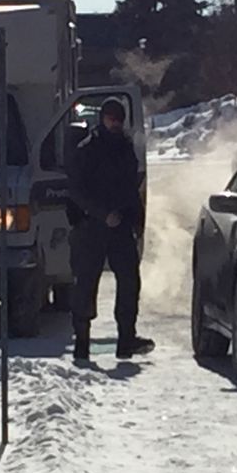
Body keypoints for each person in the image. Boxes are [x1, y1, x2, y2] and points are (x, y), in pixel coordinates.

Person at [67, 98, 153, 362]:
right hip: (92, 227)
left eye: (118, 118)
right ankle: (82, 344)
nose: (115, 122)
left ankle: (126, 339)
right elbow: (76, 191)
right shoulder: (88, 149)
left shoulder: (125, 148)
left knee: (129, 282)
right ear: (102, 119)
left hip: (121, 227)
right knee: (86, 283)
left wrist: (137, 220)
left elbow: (131, 188)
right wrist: (103, 215)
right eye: (110, 118)